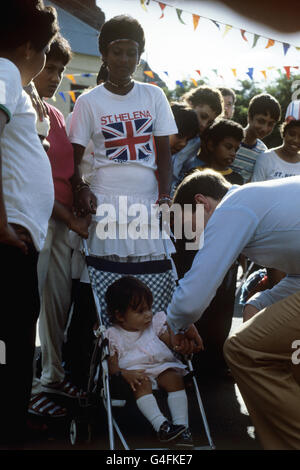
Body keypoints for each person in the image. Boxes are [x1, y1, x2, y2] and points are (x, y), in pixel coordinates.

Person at [66, 15, 178, 387]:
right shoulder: (88, 102)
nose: (125, 59)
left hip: (146, 204)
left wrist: (164, 195)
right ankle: (90, 376)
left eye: (133, 52)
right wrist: (81, 187)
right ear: (104, 53)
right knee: (100, 288)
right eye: (118, 51)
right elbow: (74, 160)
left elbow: (164, 154)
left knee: (150, 289)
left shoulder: (154, 95)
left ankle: (153, 369)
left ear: (140, 55)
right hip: (106, 205)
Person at [164, 170, 300, 448]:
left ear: (202, 203)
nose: (192, 239)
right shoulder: (259, 203)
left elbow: (192, 297)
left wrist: (173, 324)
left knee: (243, 350)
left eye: (187, 226)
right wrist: (259, 302)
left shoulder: (234, 205)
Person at [0, 0, 58, 444]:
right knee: (14, 347)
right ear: (26, 48)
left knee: (17, 343)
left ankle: (13, 422)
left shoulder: (13, 84)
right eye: (44, 53)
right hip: (8, 238)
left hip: (17, 236)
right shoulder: (3, 71)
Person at [27, 34, 91, 418]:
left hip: (66, 224)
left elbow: (70, 171)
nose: (54, 76)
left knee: (58, 306)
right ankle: (37, 382)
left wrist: (81, 189)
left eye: (60, 70)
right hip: (44, 222)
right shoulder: (25, 111)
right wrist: (69, 219)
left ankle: (51, 374)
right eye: (49, 67)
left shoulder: (55, 114)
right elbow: (35, 177)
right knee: (37, 307)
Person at [105, 276, 199, 446]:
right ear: (120, 315)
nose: (148, 314)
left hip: (161, 367)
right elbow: (112, 365)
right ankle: (162, 426)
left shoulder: (155, 324)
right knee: (142, 382)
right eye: (141, 311)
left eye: (149, 308)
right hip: (136, 373)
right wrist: (124, 373)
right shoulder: (114, 335)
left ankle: (182, 427)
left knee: (174, 377)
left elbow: (171, 342)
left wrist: (179, 340)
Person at [171, 86, 224, 194]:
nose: (204, 125)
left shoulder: (196, 142)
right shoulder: (169, 123)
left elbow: (182, 170)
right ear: (190, 104)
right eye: (203, 116)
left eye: (210, 122)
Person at [231, 93, 281, 182]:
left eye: (270, 124)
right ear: (249, 117)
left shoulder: (263, 152)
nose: (265, 128)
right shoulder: (229, 140)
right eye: (261, 121)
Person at [252, 102, 300, 182]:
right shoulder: (266, 158)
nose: (296, 140)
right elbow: (255, 190)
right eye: (292, 134)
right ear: (284, 133)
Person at [187, 118, 244, 184]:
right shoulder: (194, 174)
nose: (233, 153)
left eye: (236, 150)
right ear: (211, 145)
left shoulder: (237, 180)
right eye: (228, 147)